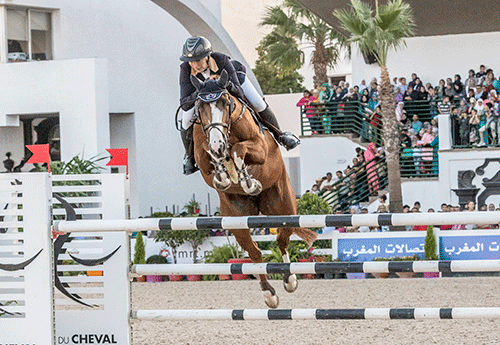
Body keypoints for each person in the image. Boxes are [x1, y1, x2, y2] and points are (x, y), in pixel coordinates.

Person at [178, 36, 300, 174]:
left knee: (258, 103)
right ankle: (189, 157)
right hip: (204, 96)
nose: (195, 65)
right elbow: (184, 102)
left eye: (198, 60)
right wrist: (201, 92)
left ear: (207, 56)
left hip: (236, 83)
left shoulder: (221, 60)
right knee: (186, 121)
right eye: (191, 62)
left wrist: (227, 85)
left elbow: (240, 93)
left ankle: (280, 135)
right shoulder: (185, 69)